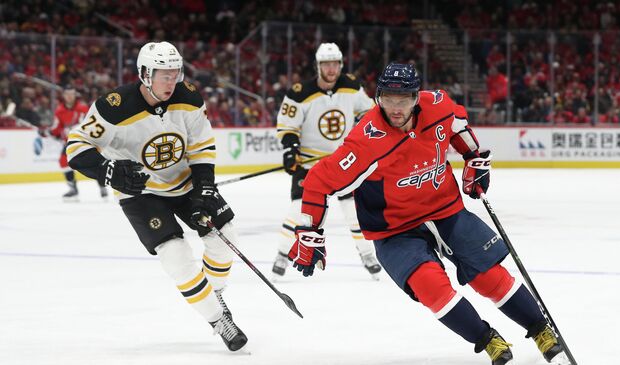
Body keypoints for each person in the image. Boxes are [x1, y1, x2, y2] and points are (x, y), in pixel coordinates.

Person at [287, 63, 567, 364]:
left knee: (488, 276)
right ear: (378, 97)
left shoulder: (439, 106)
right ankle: (487, 339)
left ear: (416, 97)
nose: (395, 108)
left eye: (403, 99)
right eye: (388, 99)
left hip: (445, 209)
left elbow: (458, 124)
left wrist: (472, 157)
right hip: (394, 229)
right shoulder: (365, 141)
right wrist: (309, 231)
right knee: (430, 285)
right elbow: (317, 181)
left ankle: (540, 329)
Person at [66, 41, 247, 351]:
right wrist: (110, 171)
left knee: (225, 235)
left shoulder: (188, 97)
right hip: (141, 193)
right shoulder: (113, 106)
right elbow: (76, 148)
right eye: (164, 74)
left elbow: (202, 147)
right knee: (175, 253)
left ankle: (213, 292)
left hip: (185, 183)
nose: (171, 81)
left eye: (175, 73)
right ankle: (219, 320)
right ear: (145, 74)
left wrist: (204, 187)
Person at [272, 42, 382, 279]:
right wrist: (290, 149)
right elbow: (287, 125)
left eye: (335, 64)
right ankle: (282, 253)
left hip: (343, 161)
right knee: (298, 212)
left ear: (340, 65)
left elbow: (369, 113)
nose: (331, 69)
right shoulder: (300, 92)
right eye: (326, 64)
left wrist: (362, 134)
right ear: (318, 66)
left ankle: (366, 254)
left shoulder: (351, 86)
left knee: (354, 212)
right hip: (310, 164)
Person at [43, 85, 107, 201]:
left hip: (87, 141)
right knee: (63, 161)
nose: (69, 96)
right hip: (70, 142)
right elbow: (57, 127)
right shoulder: (59, 111)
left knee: (94, 162)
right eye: (67, 94)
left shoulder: (83, 108)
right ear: (63, 96)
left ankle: (102, 185)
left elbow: (91, 123)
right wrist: (49, 132)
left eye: (72, 94)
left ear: (75, 95)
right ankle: (73, 189)